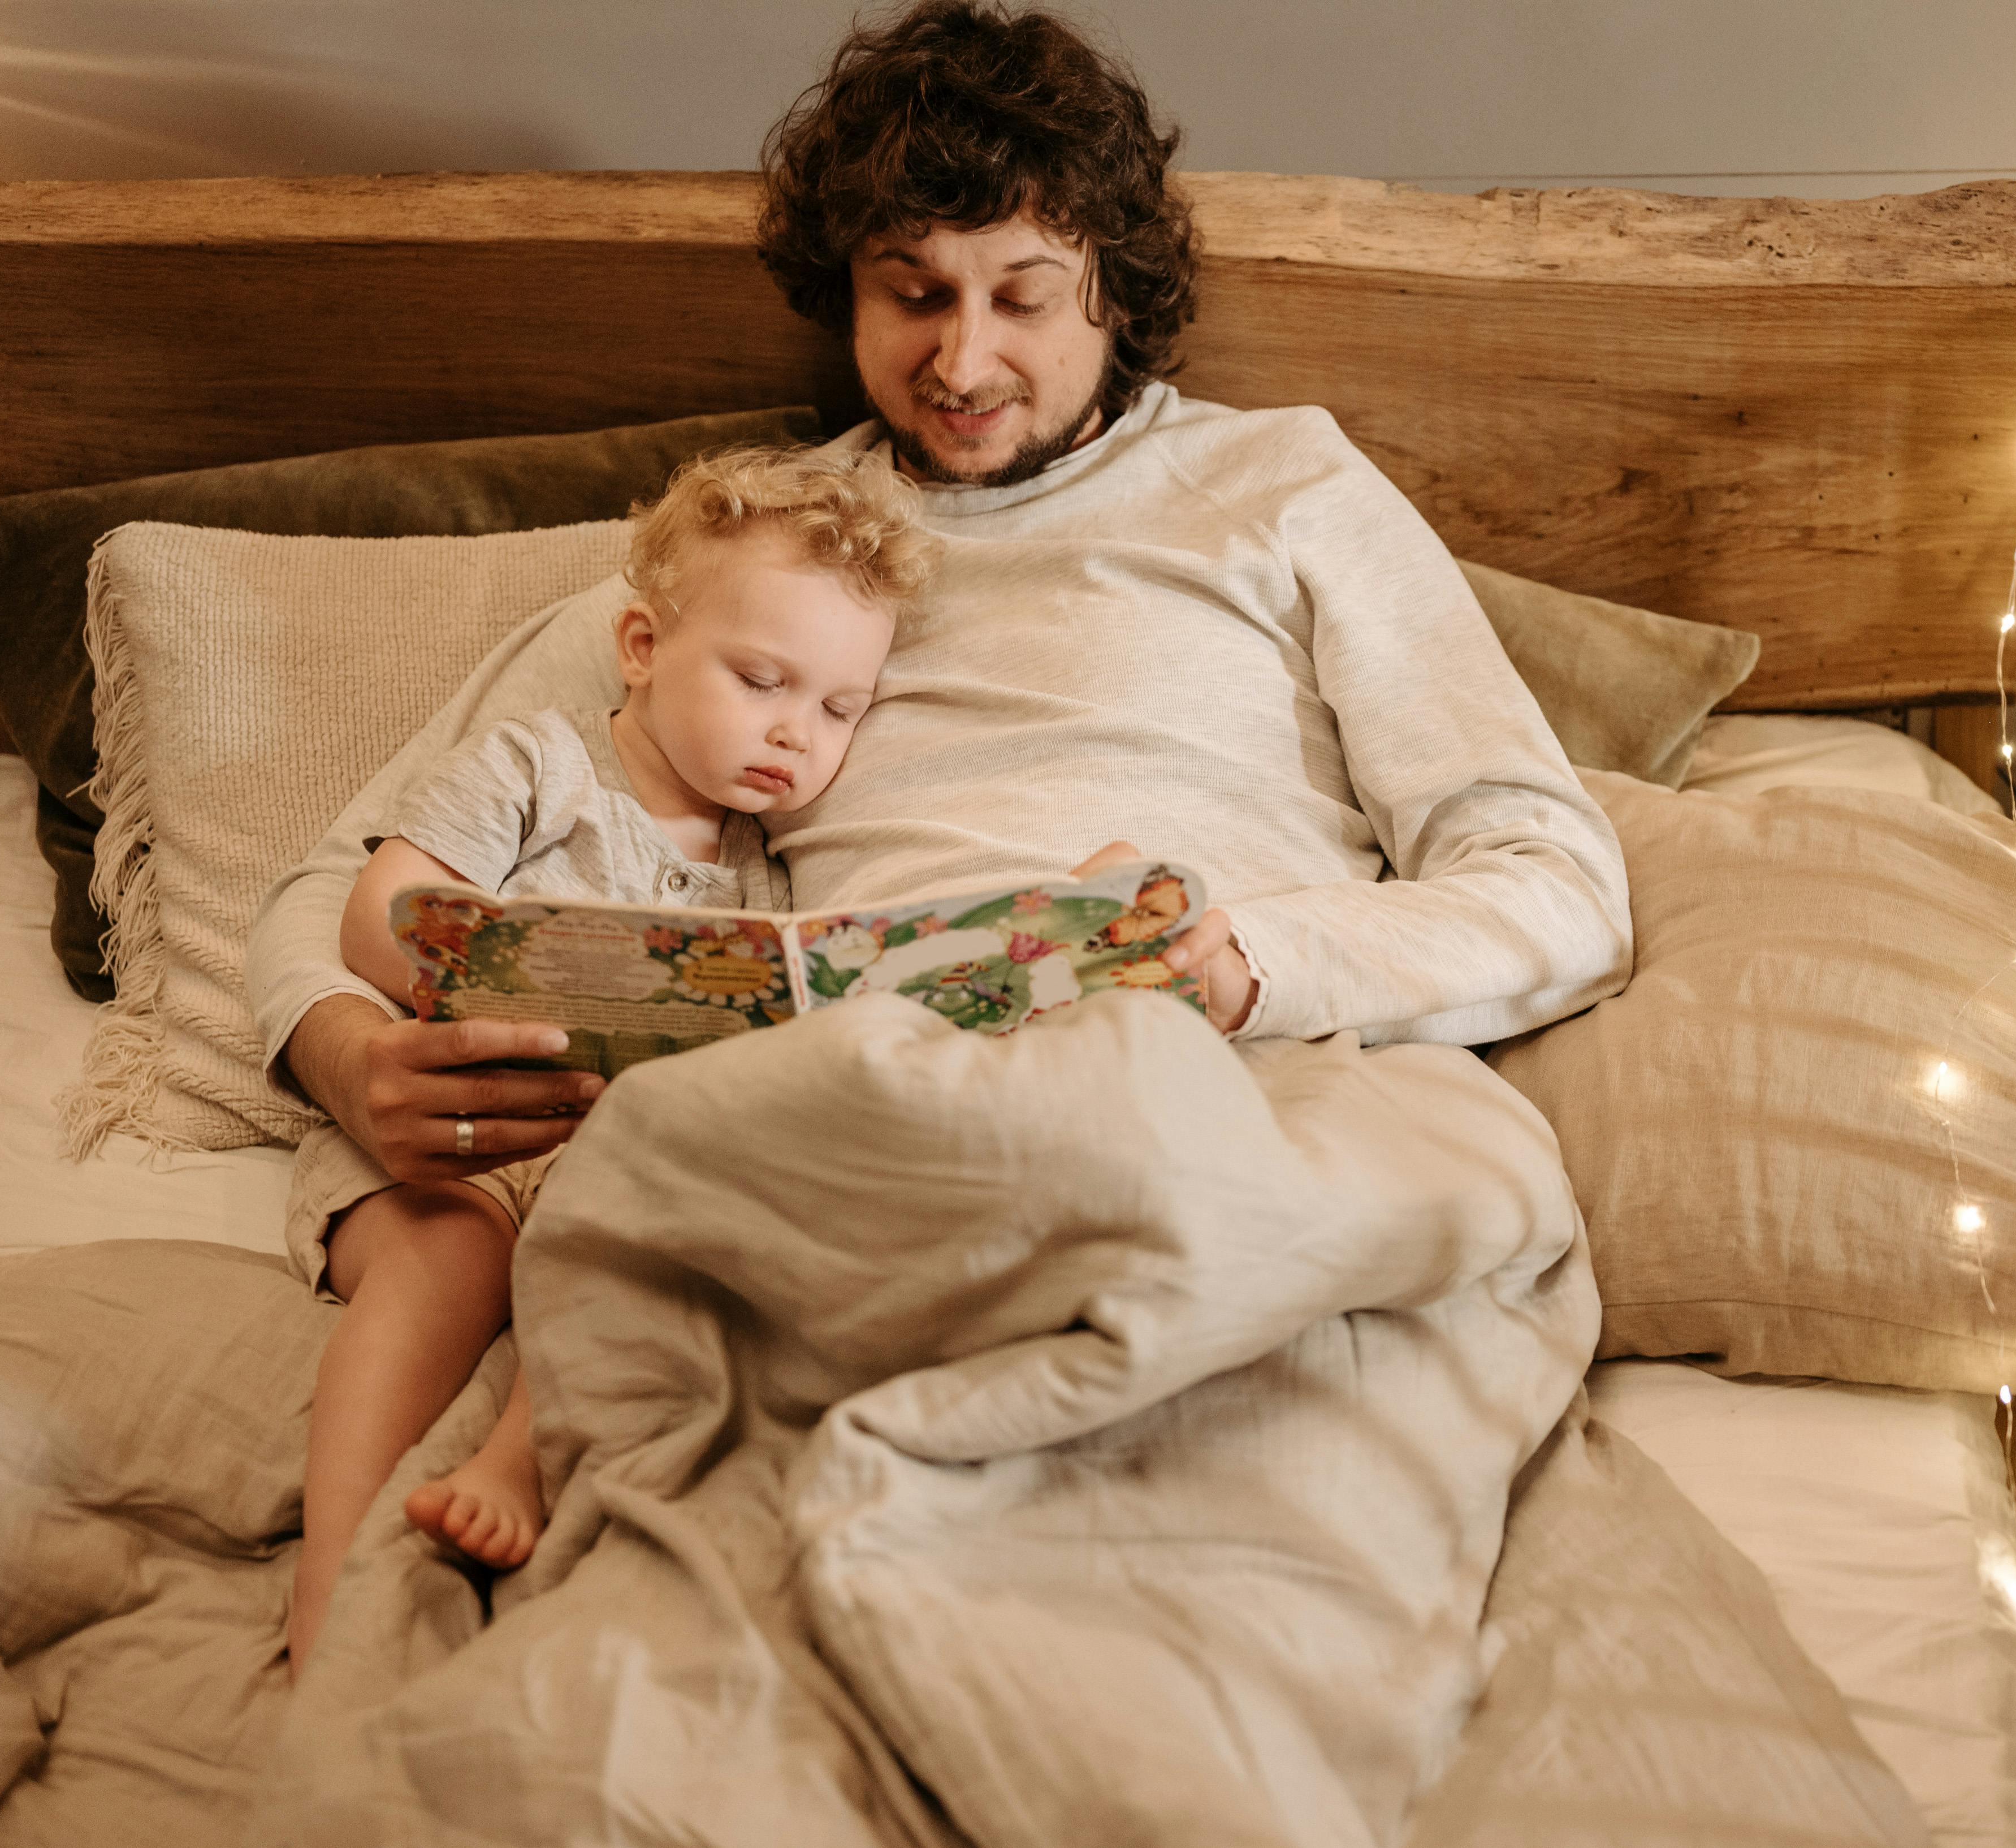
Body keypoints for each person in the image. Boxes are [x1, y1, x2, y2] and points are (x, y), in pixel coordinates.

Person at [245, 0, 1633, 1662]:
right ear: (846, 291)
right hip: (859, 1108)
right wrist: (342, 1053)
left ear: (1114, 288)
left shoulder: (1285, 489)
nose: (963, 361)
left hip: (1240, 1075)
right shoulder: (763, 555)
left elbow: (1555, 879)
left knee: (1244, 1547)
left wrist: (1253, 961)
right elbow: (348, 874)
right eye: (912, 295)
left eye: (1022, 298)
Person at [280, 444, 936, 1675]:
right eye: (762, 680)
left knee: (658, 1251)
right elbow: (380, 917)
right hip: (460, 1137)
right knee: (445, 1261)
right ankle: (326, 1586)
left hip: (609, 1159)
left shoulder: (763, 865)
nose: (797, 734)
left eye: (839, 708)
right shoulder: (541, 765)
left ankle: (514, 1457)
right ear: (642, 647)